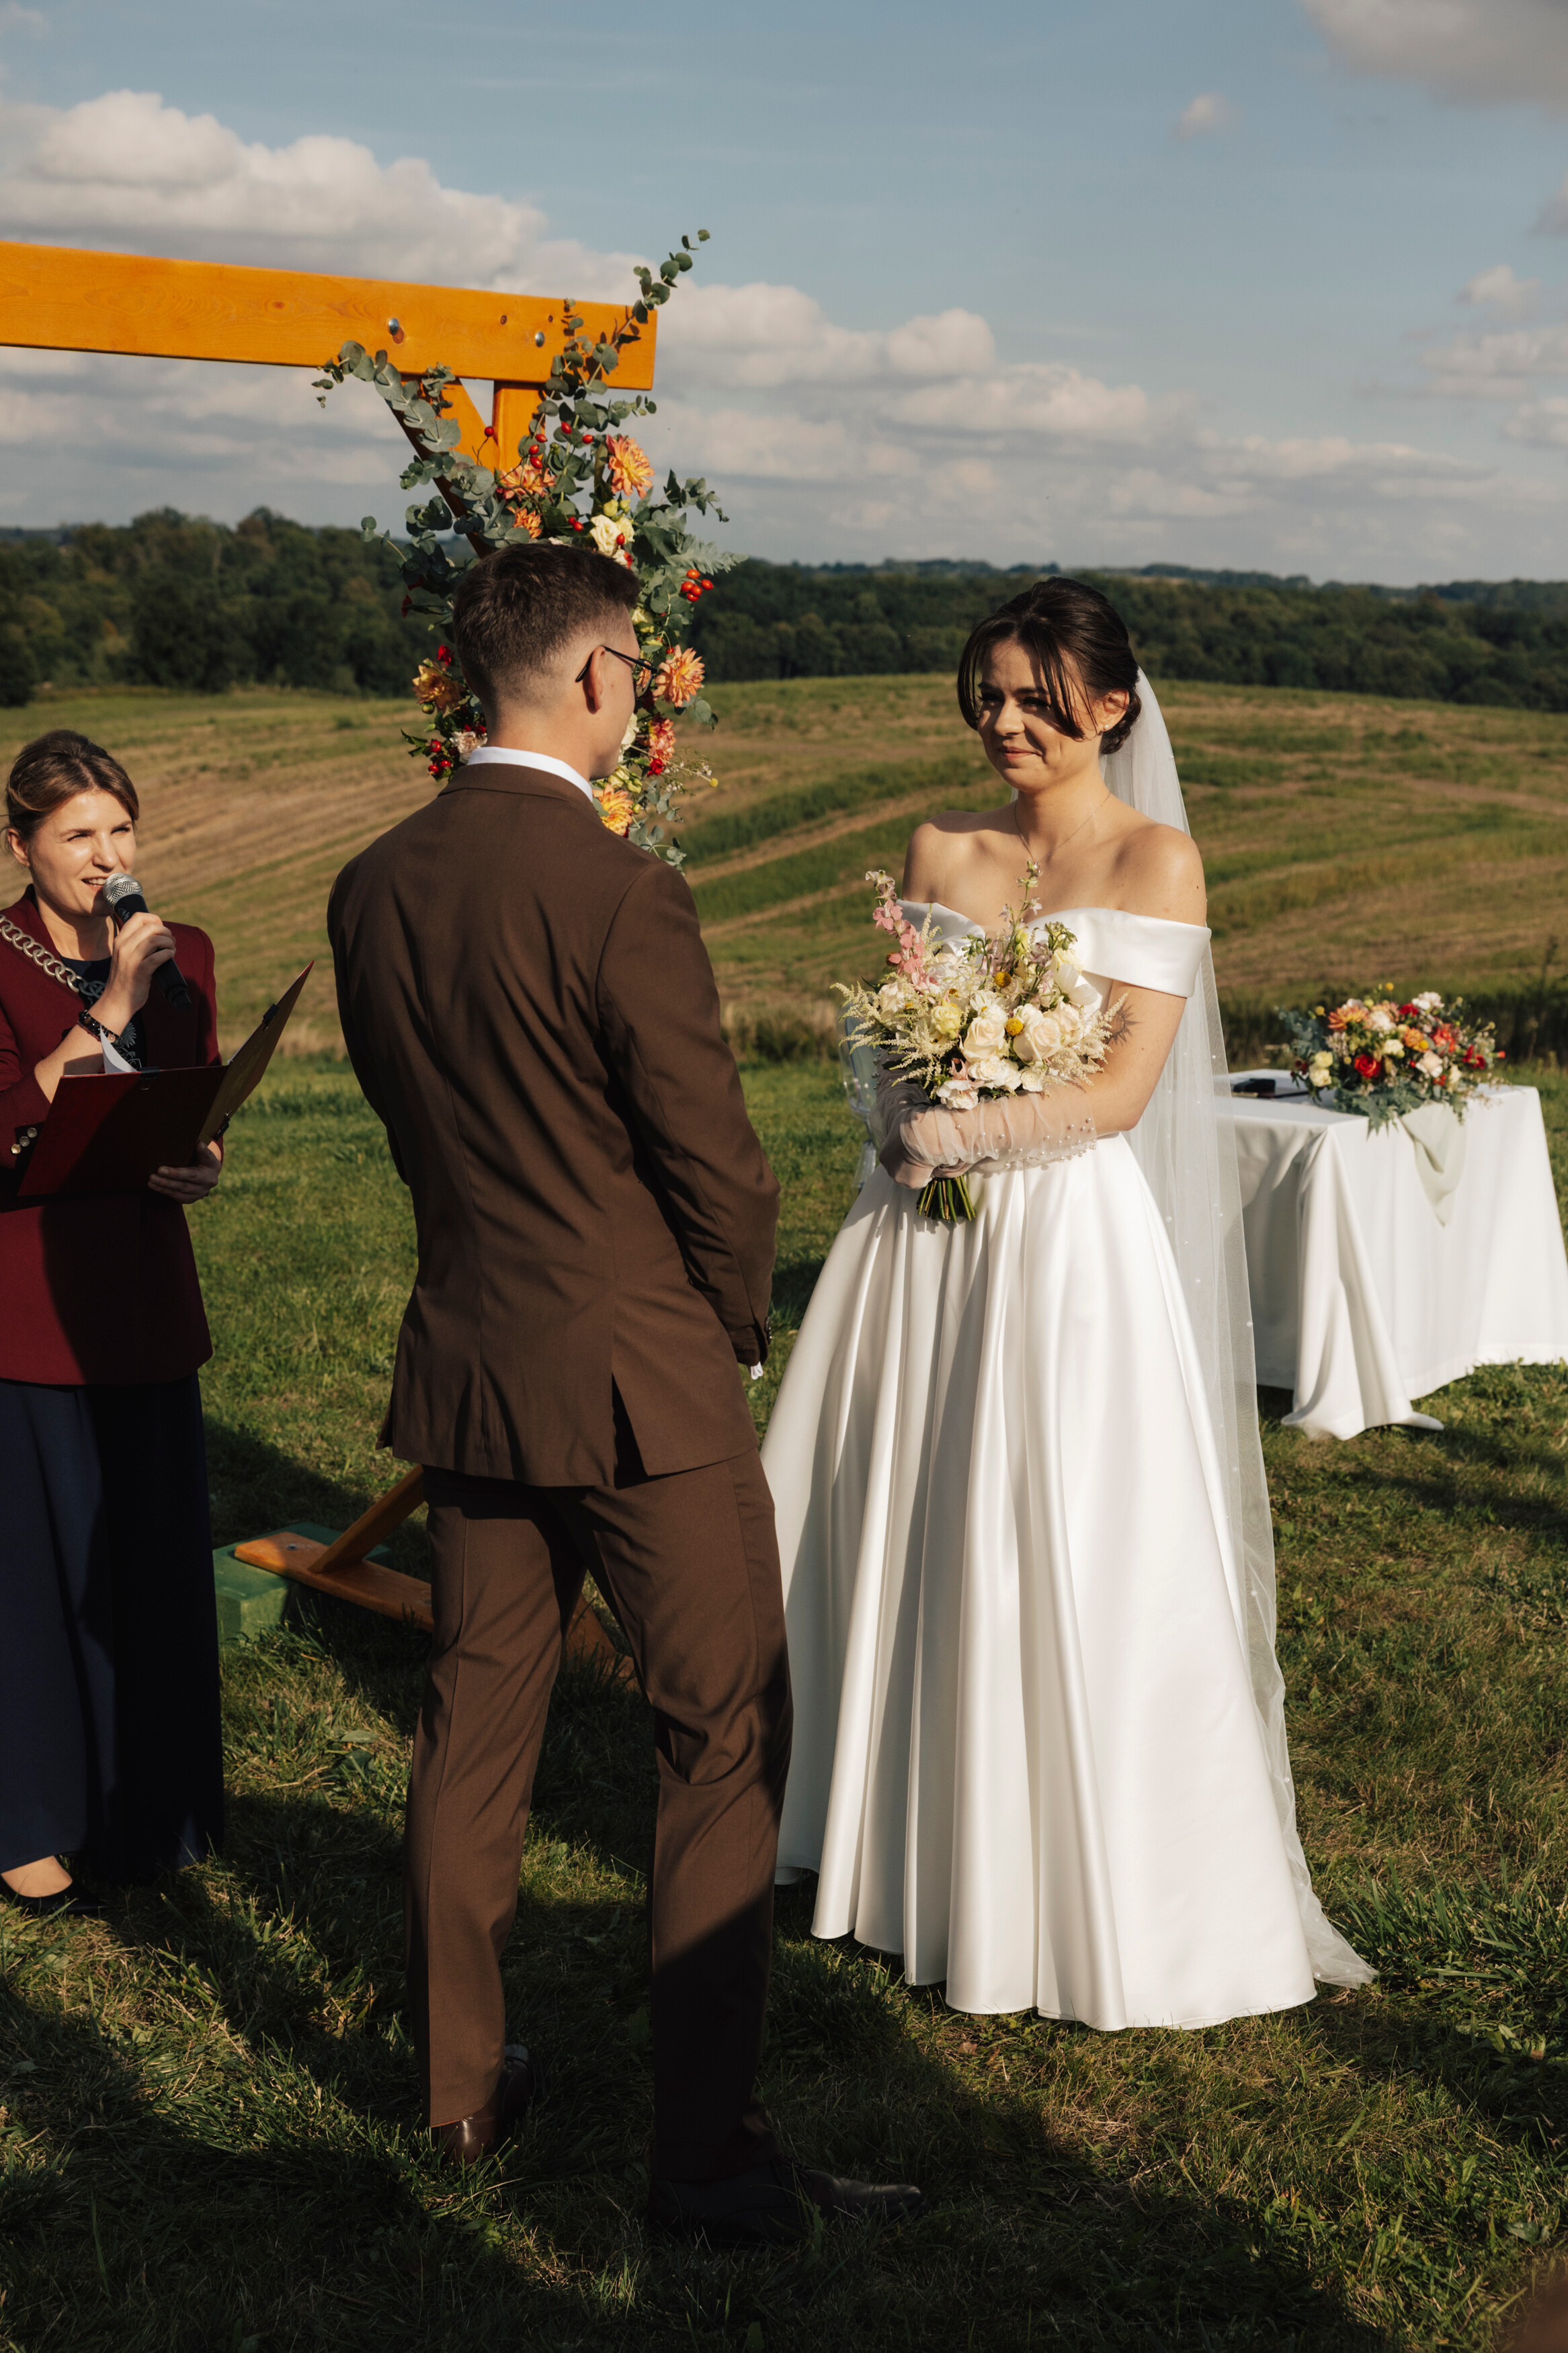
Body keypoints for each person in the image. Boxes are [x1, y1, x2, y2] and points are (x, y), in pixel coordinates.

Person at [327, 543, 921, 2243]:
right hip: (641, 1377)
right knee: (721, 1737)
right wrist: (729, 1318)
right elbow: (715, 1165)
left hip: (471, 1357)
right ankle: (710, 2165)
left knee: (473, 1724)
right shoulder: (619, 891)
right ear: (596, 675)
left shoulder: (371, 884)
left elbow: (416, 1123)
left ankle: (454, 2094)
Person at [766, 577, 1371, 2028]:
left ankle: (1057, 1866)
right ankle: (876, 1829)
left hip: (1059, 1242)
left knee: (1050, 1528)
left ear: (1111, 704)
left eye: (1037, 700)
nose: (1005, 723)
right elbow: (888, 1043)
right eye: (986, 694)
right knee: (901, 1503)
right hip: (917, 1235)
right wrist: (898, 1112)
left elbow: (1119, 1092)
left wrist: (963, 1130)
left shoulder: (1160, 861)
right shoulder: (940, 846)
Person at [0, 729, 225, 1917]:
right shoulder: (1, 959)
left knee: (149, 1560)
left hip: (144, 1295)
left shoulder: (183, 950)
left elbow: (197, 1096)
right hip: (31, 1306)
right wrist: (113, 1003)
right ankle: (30, 1823)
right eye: (77, 834)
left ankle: (157, 1807)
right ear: (21, 846)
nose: (107, 857)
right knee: (39, 1577)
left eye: (121, 829)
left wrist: (203, 1162)